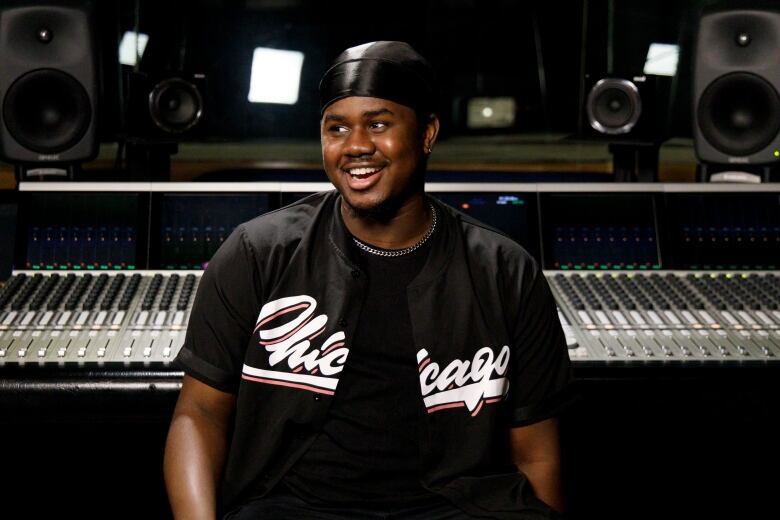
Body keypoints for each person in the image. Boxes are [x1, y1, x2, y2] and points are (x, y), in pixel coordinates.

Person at [164, 40, 573, 520]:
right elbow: (200, 414)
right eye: (337, 128)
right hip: (294, 507)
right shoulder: (258, 252)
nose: (356, 146)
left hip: (455, 508)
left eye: (378, 124)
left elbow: (537, 453)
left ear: (427, 132)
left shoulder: (506, 270)